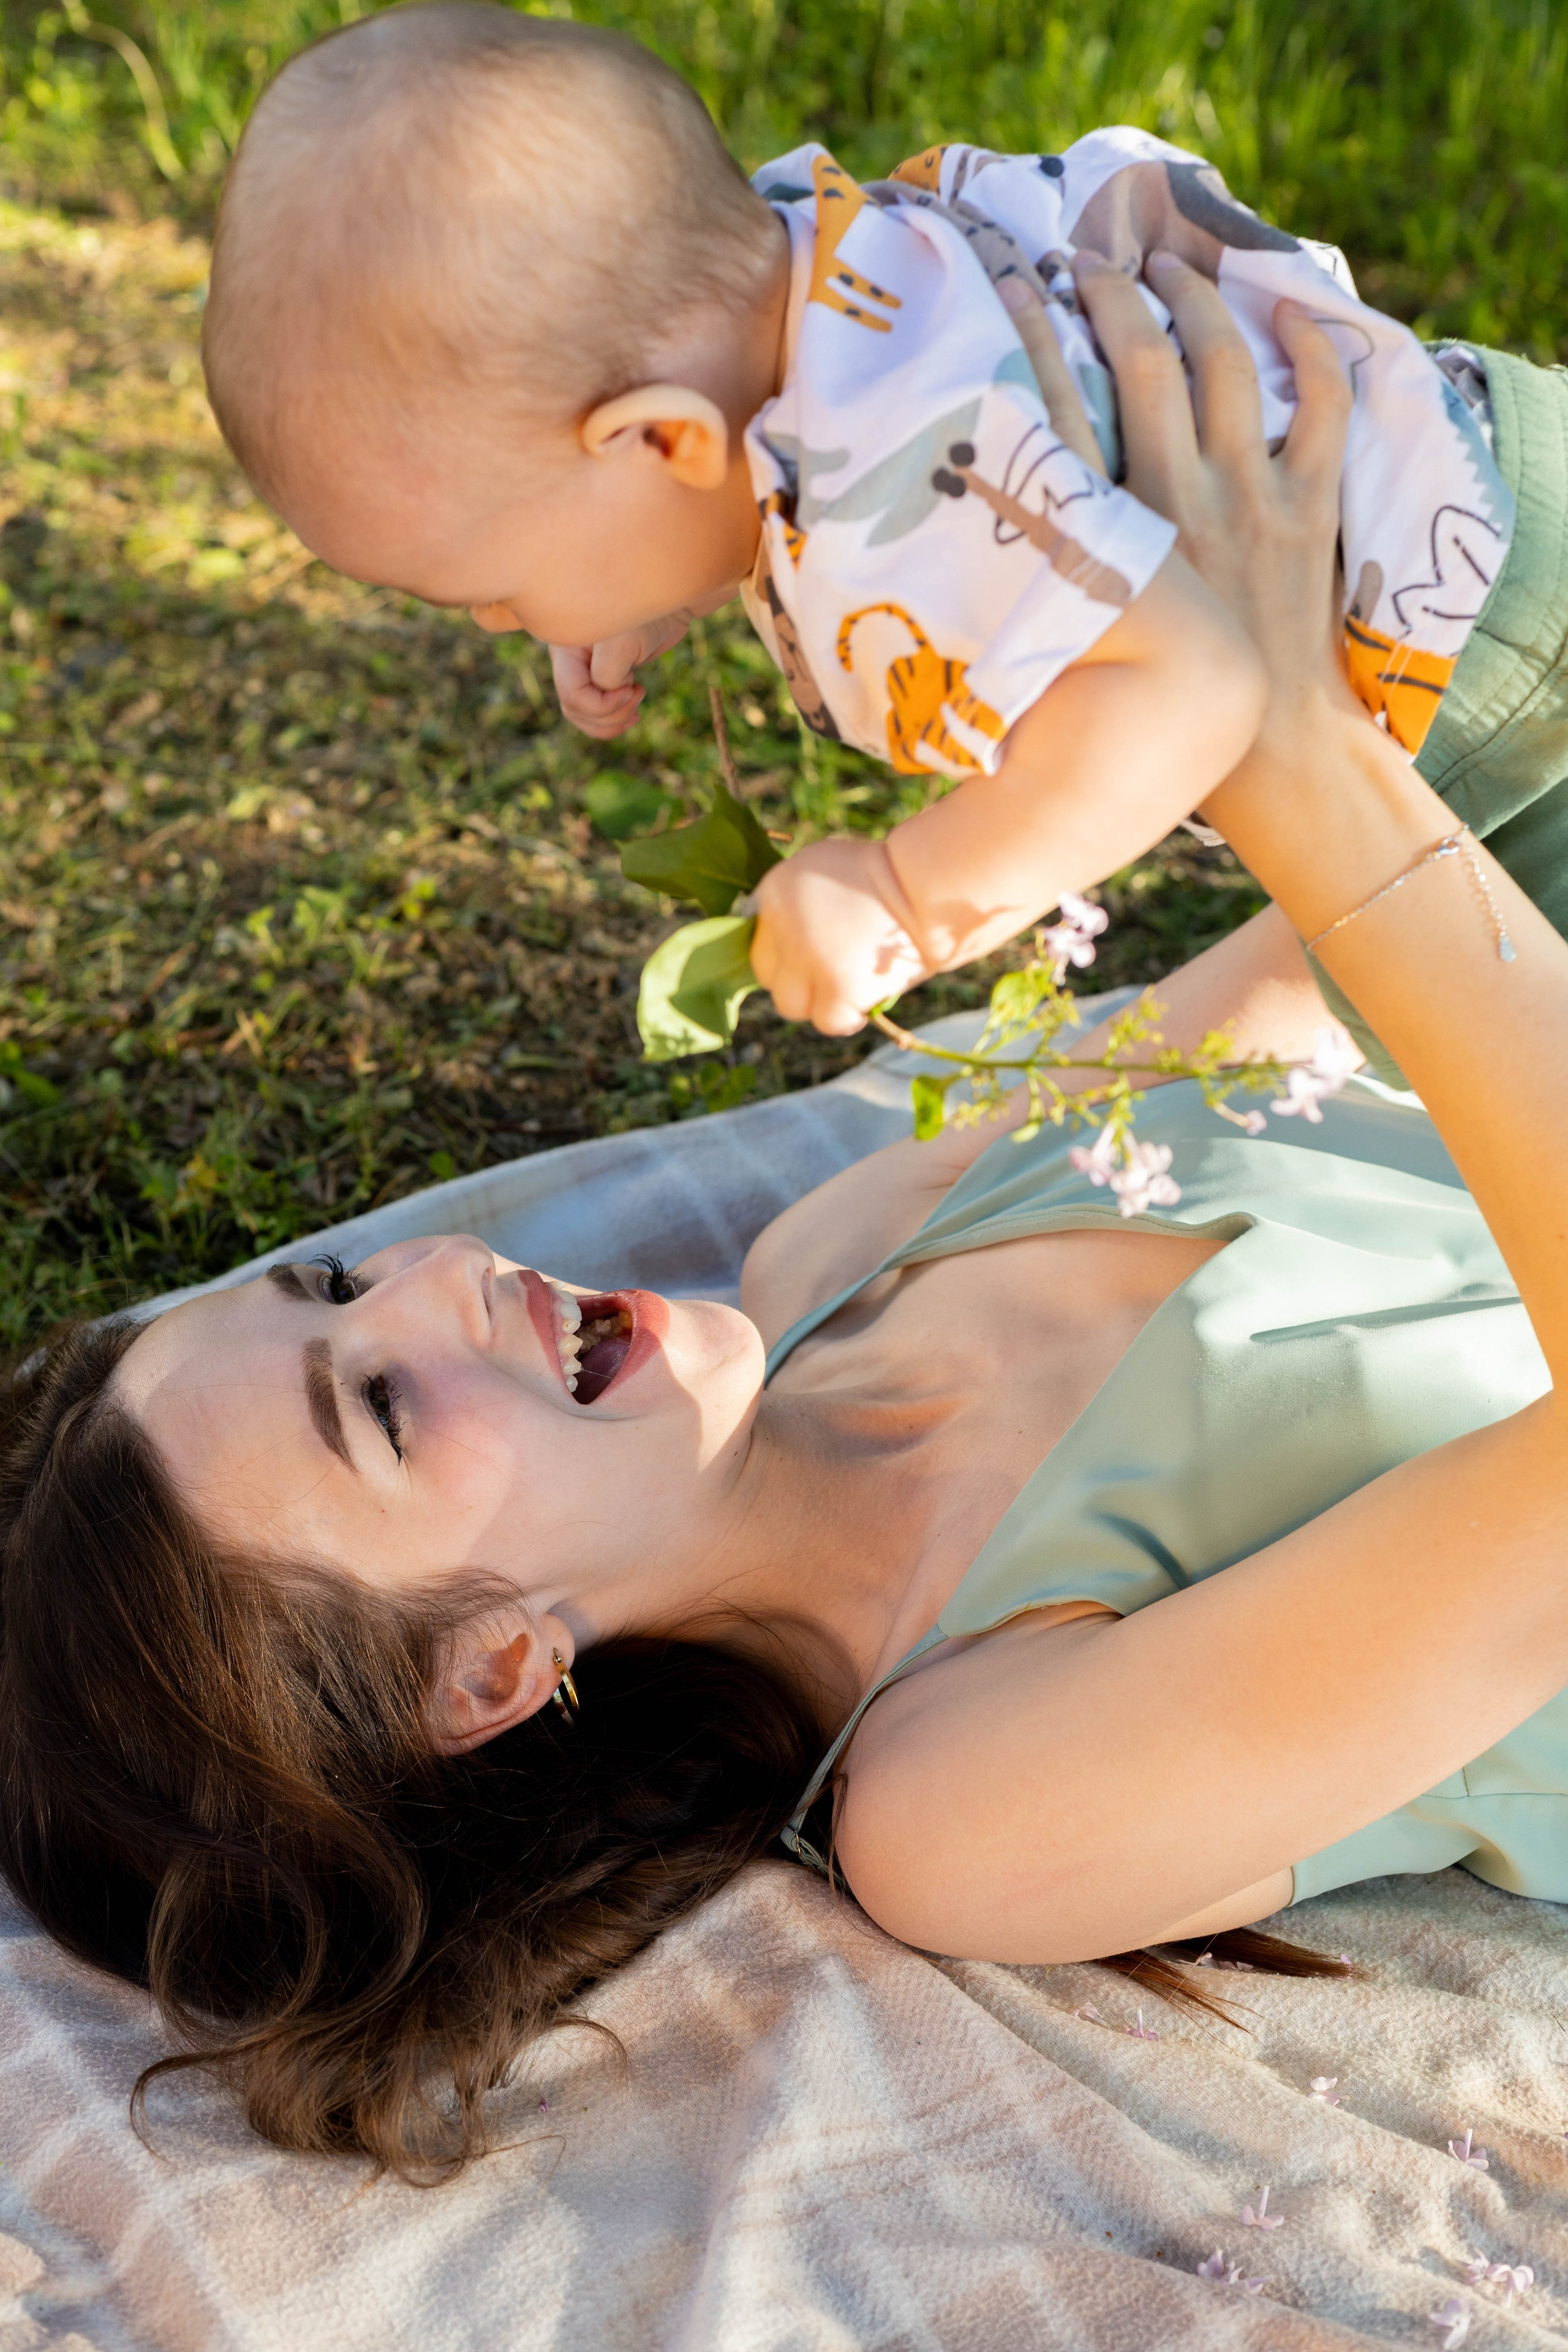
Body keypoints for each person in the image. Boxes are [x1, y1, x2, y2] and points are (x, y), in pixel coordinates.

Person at [6, 252, 1568, 2180]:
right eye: (383, 1404)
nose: (431, 1277)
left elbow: (1355, 940)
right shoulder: (968, 1807)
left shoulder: (836, 1254)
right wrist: (1281, 740)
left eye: (331, 1282)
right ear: (493, 1672)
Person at [197, 6, 1568, 1072]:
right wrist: (639, 585)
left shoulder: (902, 479)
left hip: (1477, 634)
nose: (501, 620)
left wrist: (912, 896)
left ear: (660, 444)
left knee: (1466, 1005)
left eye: (490, 586)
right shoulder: (810, 277)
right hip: (1476, 472)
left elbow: (1189, 685)